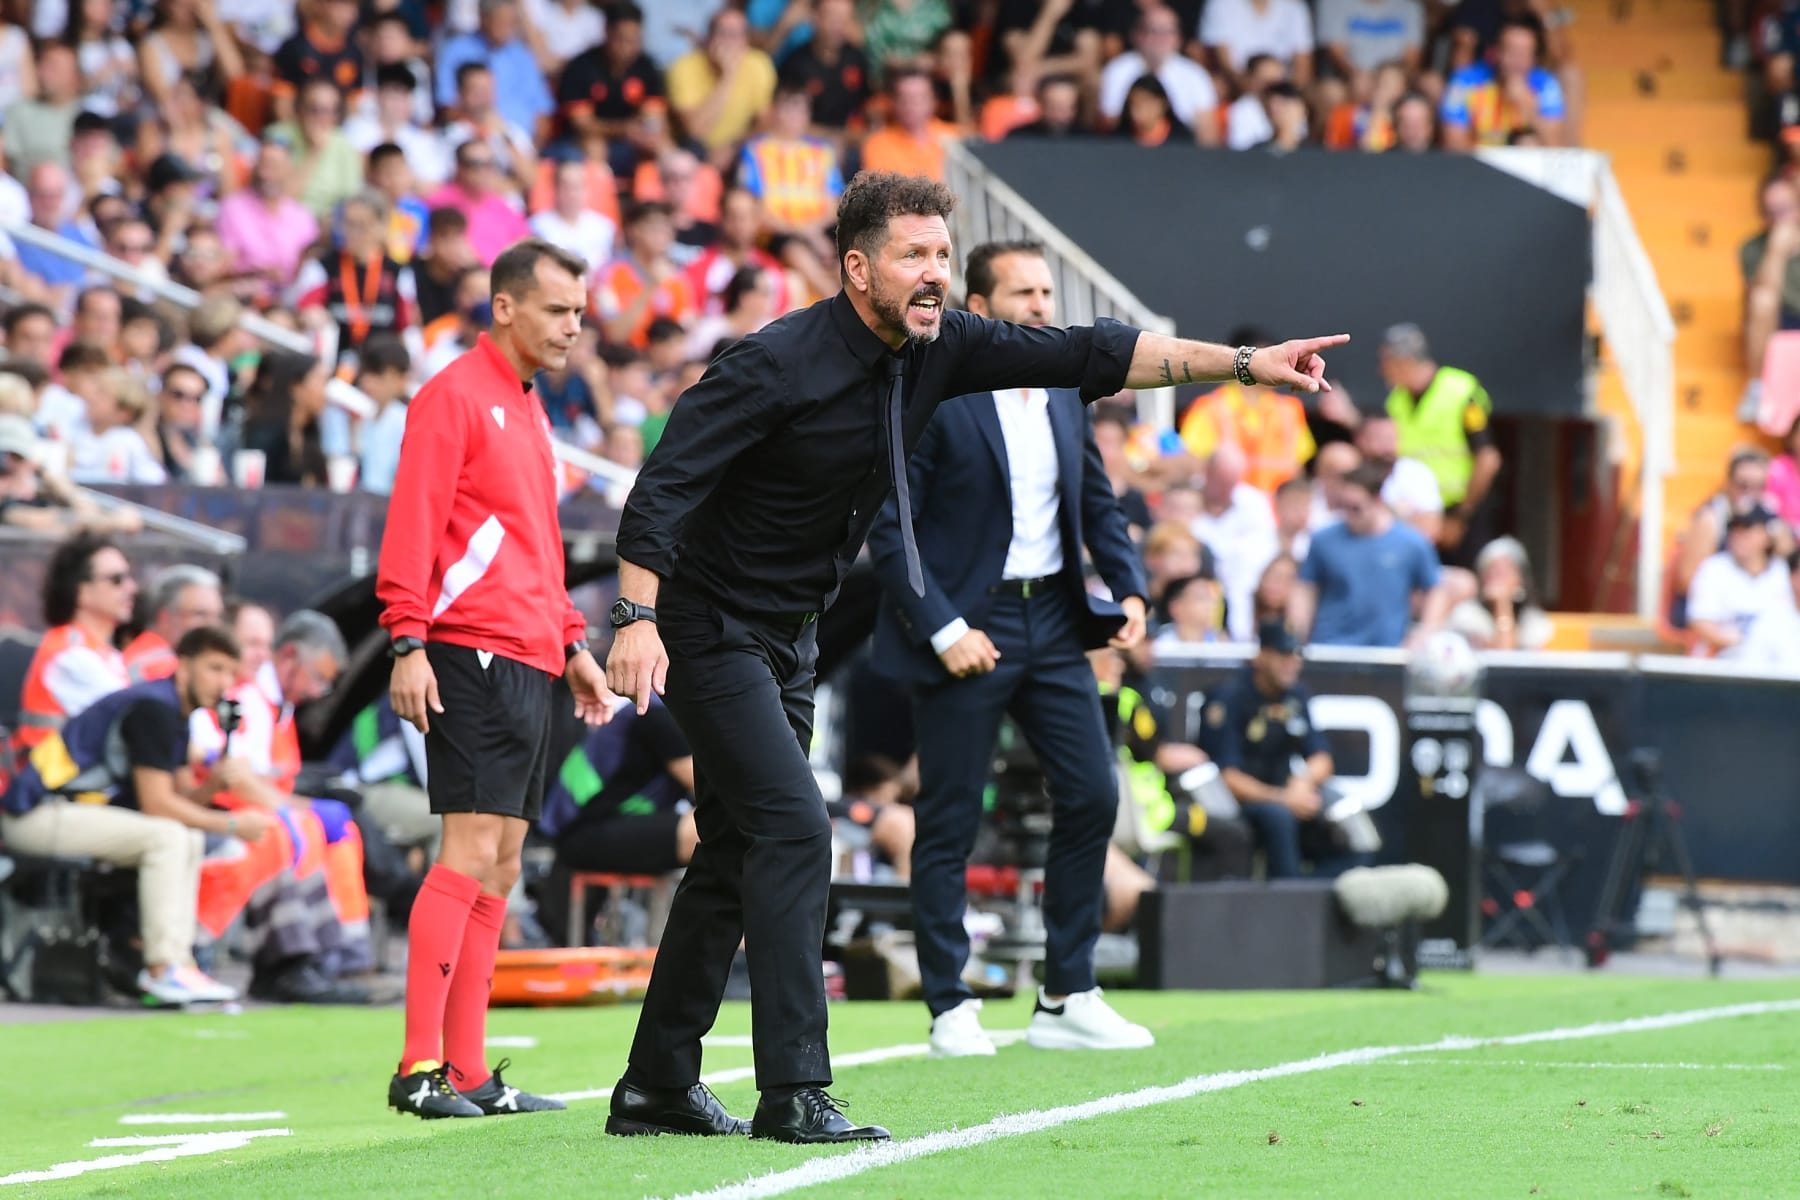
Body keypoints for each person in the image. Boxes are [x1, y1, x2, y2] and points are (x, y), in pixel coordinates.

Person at [604, 170, 1346, 1143]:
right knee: (793, 830)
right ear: (856, 265)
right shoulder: (772, 362)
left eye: (944, 257)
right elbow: (661, 490)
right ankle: (793, 1091)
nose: (933, 274)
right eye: (914, 256)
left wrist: (1245, 366)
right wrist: (634, 618)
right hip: (708, 625)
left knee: (738, 846)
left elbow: (1101, 352)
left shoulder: (943, 345)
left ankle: (658, 1082)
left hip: (792, 636)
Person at [865, 238, 1154, 1059]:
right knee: (951, 818)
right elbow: (894, 526)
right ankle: (950, 1003)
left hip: (1055, 624)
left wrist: (1130, 590)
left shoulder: (1066, 390)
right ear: (980, 310)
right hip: (970, 625)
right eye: (1023, 293)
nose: (1041, 305)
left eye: (1046, 291)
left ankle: (1066, 993)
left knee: (1094, 797)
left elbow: (1098, 500)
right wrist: (947, 628)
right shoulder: (932, 391)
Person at [375, 237, 614, 1120]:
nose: (573, 328)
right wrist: (406, 640)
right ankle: (418, 1068)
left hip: (528, 653)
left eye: (580, 314)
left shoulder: (529, 408)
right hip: (466, 648)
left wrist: (573, 643)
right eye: (557, 310)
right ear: (505, 307)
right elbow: (413, 525)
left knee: (505, 863)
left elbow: (537, 549)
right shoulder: (453, 397)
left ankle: (470, 1070)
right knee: (468, 854)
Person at [1, 626, 272, 1006]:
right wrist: (232, 824)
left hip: (71, 813)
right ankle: (163, 968)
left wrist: (211, 786)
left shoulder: (177, 713)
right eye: (214, 668)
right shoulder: (154, 708)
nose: (224, 682)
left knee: (186, 836)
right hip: (34, 815)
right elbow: (158, 806)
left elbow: (180, 798)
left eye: (230, 672)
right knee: (169, 836)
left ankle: (180, 963)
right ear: (183, 667)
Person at [1204, 620, 1363, 879]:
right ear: (1261, 656)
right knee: (1279, 818)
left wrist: (1302, 783)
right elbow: (1227, 777)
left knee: (1344, 813)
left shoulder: (1295, 695)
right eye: (1283, 655)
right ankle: (1287, 898)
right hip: (1242, 803)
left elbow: (1322, 758)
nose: (1292, 663)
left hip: (1288, 794)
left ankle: (1320, 898)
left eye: (1296, 655)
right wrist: (1282, 798)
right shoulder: (1228, 697)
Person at [12, 533, 134, 759]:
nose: (131, 588)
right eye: (117, 580)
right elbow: (134, 723)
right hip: (57, 789)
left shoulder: (103, 652)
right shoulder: (71, 656)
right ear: (81, 592)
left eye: (129, 577)